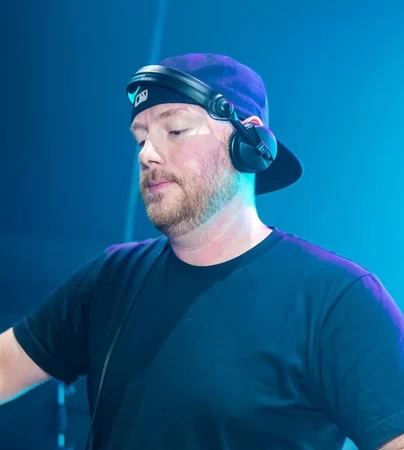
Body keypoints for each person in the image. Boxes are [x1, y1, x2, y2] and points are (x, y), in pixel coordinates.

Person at [0, 53, 403, 450]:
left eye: (175, 130)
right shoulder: (111, 276)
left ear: (248, 142)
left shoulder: (338, 299)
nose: (147, 154)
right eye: (141, 138)